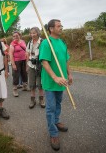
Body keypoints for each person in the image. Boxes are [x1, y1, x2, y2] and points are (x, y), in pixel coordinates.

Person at [39, 19, 73, 151]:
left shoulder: (62, 42)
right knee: (50, 108)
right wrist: (55, 77)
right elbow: (44, 62)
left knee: (58, 104)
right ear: (51, 29)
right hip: (50, 81)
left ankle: (56, 121)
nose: (61, 27)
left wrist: (69, 74)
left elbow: (66, 60)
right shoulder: (47, 43)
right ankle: (53, 134)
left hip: (62, 80)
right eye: (59, 26)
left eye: (61, 25)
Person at [26, 27, 45, 109]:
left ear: (38, 33)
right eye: (31, 33)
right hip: (31, 65)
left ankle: (41, 100)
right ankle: (32, 100)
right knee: (32, 84)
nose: (32, 35)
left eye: (34, 33)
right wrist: (27, 65)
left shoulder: (43, 42)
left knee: (40, 84)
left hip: (40, 66)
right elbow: (27, 54)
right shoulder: (29, 42)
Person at [9, 31, 28, 97]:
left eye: (17, 35)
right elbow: (11, 54)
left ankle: (25, 86)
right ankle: (15, 89)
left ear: (20, 35)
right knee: (16, 75)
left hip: (24, 60)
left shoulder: (23, 41)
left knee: (24, 73)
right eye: (14, 36)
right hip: (16, 61)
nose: (15, 37)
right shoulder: (12, 44)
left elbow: (26, 50)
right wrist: (13, 64)